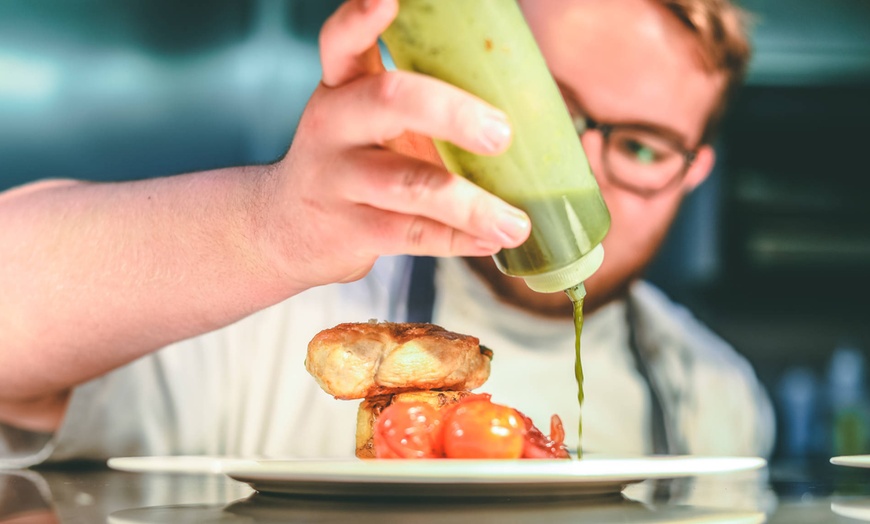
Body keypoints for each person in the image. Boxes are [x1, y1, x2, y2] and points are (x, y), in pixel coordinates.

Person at [0, 0, 774, 467]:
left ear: (694, 171)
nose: (589, 170)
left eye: (642, 147)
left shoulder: (717, 398)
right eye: (556, 117)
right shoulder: (288, 323)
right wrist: (269, 229)